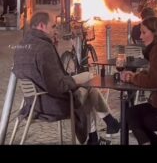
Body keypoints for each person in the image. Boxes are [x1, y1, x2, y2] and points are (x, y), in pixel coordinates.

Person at [13, 12, 120, 145]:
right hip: (51, 105)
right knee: (89, 84)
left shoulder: (22, 45)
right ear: (41, 26)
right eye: (53, 27)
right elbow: (58, 86)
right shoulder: (44, 48)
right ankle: (106, 126)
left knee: (88, 81)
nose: (55, 30)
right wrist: (72, 82)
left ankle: (98, 135)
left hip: (33, 102)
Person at [122, 16, 157, 145]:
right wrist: (139, 75)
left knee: (136, 117)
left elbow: (153, 81)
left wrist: (132, 77)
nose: (140, 36)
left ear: (155, 33)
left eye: (144, 32)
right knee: (132, 113)